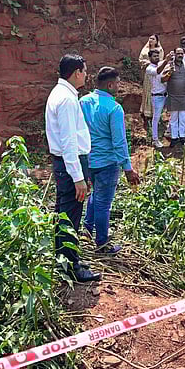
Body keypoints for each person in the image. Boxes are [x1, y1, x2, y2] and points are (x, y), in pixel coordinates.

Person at [46, 54, 100, 282]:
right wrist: (78, 177)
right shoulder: (66, 100)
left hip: (67, 163)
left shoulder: (61, 94)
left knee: (64, 213)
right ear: (76, 72)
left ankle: (65, 260)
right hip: (71, 164)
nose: (86, 75)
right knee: (70, 217)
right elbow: (68, 142)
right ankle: (70, 267)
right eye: (84, 71)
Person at [80, 67, 142, 255]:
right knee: (104, 204)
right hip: (107, 162)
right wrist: (128, 168)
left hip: (88, 160)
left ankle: (87, 230)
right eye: (117, 83)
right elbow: (119, 142)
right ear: (109, 84)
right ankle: (102, 243)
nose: (119, 86)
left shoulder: (83, 102)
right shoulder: (114, 108)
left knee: (95, 195)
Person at [165, 47, 185, 147]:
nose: (180, 55)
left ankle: (182, 137)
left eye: (181, 54)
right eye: (178, 53)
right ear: (175, 55)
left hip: (184, 96)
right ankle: (174, 138)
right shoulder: (170, 65)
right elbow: (163, 79)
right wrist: (169, 72)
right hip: (173, 96)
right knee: (173, 119)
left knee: (183, 118)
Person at [146, 49, 172, 148]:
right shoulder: (149, 68)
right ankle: (155, 139)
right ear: (150, 58)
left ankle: (169, 132)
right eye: (154, 56)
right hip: (157, 96)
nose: (156, 58)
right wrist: (166, 60)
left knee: (174, 113)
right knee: (156, 118)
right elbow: (158, 71)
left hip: (166, 94)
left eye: (158, 56)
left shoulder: (161, 63)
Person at [138, 34, 164, 135]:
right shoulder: (145, 49)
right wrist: (145, 63)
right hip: (147, 74)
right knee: (147, 91)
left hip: (156, 74)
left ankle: (155, 114)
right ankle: (146, 112)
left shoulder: (159, 50)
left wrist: (149, 63)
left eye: (153, 39)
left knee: (154, 91)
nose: (150, 40)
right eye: (150, 38)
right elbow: (140, 60)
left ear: (157, 41)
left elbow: (160, 62)